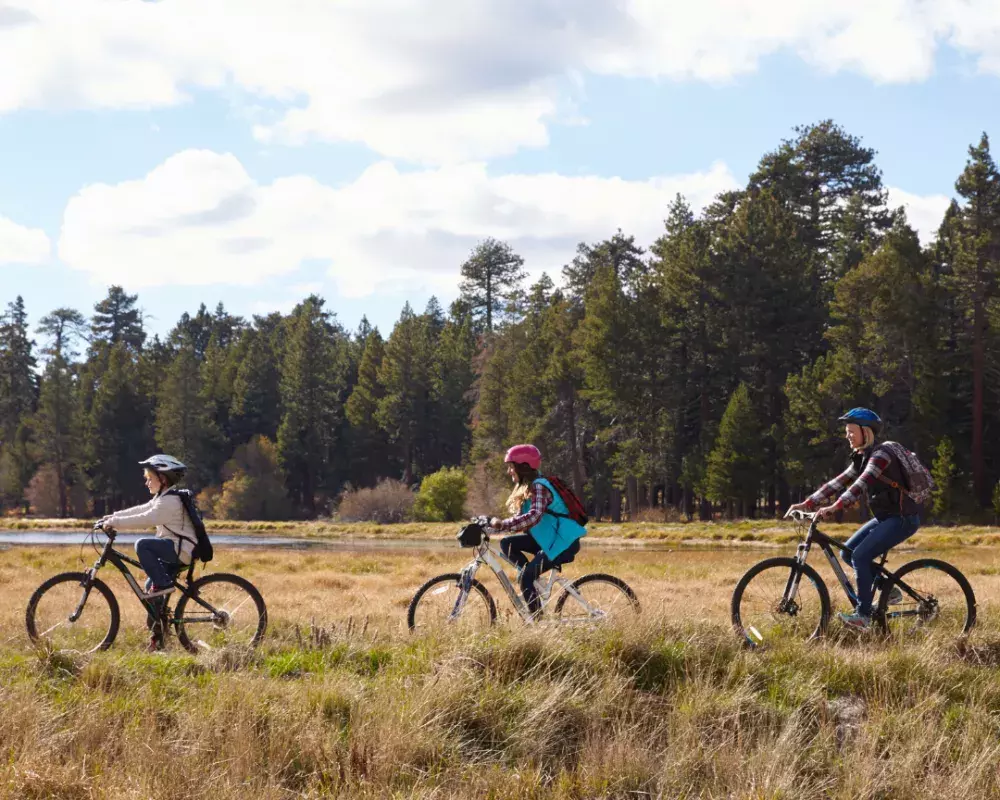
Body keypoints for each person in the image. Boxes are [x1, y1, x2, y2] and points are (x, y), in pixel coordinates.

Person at [788, 408, 921, 630]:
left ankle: (863, 616)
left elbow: (861, 485)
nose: (847, 435)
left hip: (903, 519)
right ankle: (890, 591)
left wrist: (834, 507)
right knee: (847, 553)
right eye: (847, 431)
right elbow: (839, 482)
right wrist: (808, 503)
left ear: (865, 432)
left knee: (860, 556)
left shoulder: (880, 456)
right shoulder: (861, 456)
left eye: (851, 431)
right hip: (885, 517)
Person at [99, 454, 197, 650]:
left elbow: (147, 518)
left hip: (180, 550)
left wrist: (115, 523)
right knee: (151, 592)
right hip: (174, 549)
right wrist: (112, 516)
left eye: (149, 478)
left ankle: (164, 584)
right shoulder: (163, 497)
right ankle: (158, 641)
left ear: (162, 479)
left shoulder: (170, 501)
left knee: (142, 545)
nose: (146, 482)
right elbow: (142, 509)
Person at [489, 444, 587, 617]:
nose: (509, 472)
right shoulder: (527, 488)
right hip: (548, 540)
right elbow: (520, 520)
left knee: (526, 578)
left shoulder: (539, 486)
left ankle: (539, 624)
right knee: (507, 544)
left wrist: (502, 524)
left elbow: (534, 516)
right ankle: (533, 581)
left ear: (523, 466)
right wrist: (489, 526)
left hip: (563, 543)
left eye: (511, 467)